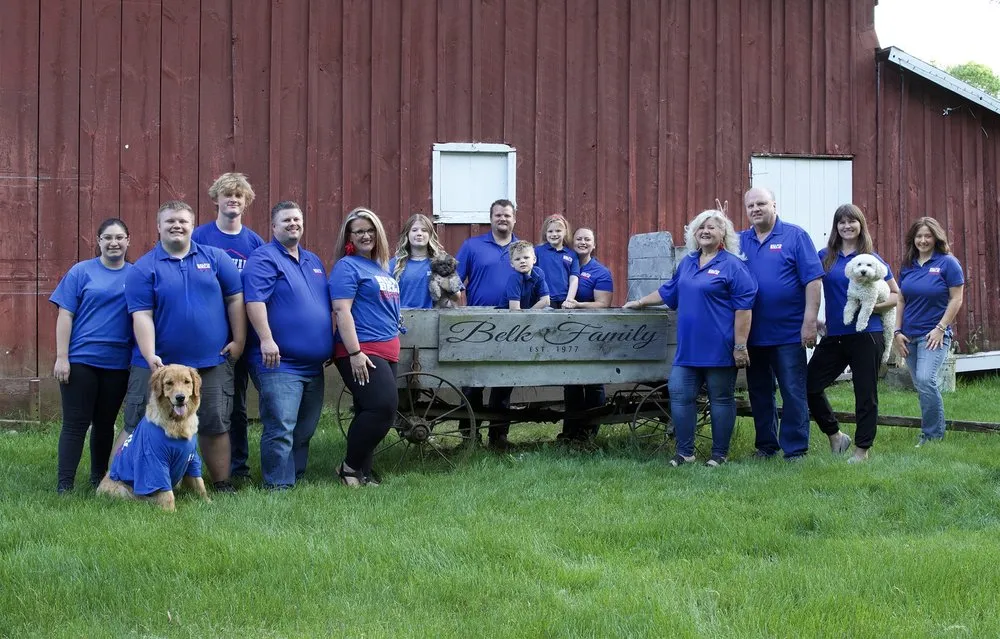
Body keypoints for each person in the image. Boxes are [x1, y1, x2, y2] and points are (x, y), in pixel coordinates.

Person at [121, 200, 246, 492]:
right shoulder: (144, 268)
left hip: (210, 361)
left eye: (182, 221)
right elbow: (142, 315)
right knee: (136, 424)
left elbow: (235, 298)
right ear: (158, 227)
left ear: (192, 225)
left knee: (215, 421)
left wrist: (239, 340)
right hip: (155, 365)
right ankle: (119, 479)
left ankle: (221, 483)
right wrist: (151, 354)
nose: (176, 226)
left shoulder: (216, 258)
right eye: (169, 222)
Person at [625, 209, 756, 467]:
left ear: (723, 234)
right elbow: (668, 292)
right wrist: (639, 302)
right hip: (688, 349)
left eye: (712, 227)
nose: (705, 231)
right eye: (700, 228)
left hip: (720, 346)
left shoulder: (732, 265)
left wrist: (740, 346)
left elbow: (744, 308)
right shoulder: (687, 262)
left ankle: (719, 454)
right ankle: (685, 453)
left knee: (720, 399)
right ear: (694, 234)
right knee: (679, 393)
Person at [242, 201, 333, 490]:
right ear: (273, 227)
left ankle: (296, 475)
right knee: (281, 426)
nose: (292, 224)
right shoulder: (264, 258)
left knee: (304, 429)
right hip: (278, 362)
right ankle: (278, 486)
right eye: (286, 220)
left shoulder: (313, 261)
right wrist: (267, 339)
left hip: (313, 364)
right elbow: (254, 301)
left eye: (296, 219)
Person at [807, 204, 899, 464]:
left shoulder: (871, 258)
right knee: (810, 385)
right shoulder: (825, 256)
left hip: (867, 334)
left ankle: (862, 450)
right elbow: (810, 287)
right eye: (841, 222)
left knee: (865, 392)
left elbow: (895, 294)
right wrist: (814, 319)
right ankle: (835, 436)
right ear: (836, 227)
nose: (847, 226)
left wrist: (871, 310)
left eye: (852, 222)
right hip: (835, 334)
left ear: (861, 225)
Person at [739, 187, 824, 460]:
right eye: (750, 206)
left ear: (774, 205)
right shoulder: (740, 240)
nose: (755, 209)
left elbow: (812, 280)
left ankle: (796, 449)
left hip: (788, 332)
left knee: (792, 391)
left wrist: (809, 321)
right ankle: (766, 446)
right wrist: (721, 220)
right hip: (753, 334)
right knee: (760, 392)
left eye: (761, 203)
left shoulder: (795, 236)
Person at [49, 219, 133, 493]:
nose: (114, 243)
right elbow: (65, 314)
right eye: (107, 237)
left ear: (128, 241)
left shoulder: (135, 275)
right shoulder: (81, 272)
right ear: (97, 241)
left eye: (119, 237)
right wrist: (62, 357)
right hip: (81, 360)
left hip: (118, 364)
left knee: (105, 423)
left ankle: (99, 480)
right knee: (75, 423)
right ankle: (65, 486)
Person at [191, 172, 265, 484]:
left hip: (247, 335)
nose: (233, 200)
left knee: (239, 406)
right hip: (212, 335)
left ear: (246, 202)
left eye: (239, 196)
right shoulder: (199, 237)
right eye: (227, 195)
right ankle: (191, 467)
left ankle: (239, 469)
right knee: (210, 405)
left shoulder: (254, 243)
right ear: (215, 200)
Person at [328, 207, 402, 487]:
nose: (366, 235)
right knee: (383, 408)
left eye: (370, 230)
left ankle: (362, 473)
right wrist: (356, 353)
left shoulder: (381, 267)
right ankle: (349, 468)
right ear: (349, 236)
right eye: (359, 231)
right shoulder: (347, 266)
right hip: (361, 349)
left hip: (387, 348)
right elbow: (342, 310)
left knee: (367, 409)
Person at [894, 217, 964, 447]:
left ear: (936, 237)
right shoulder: (908, 265)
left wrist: (940, 329)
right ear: (913, 239)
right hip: (909, 336)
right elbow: (902, 300)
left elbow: (956, 299)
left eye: (928, 236)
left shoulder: (948, 263)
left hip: (934, 335)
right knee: (922, 385)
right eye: (919, 236)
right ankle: (930, 433)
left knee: (925, 379)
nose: (923, 240)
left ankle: (933, 436)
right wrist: (897, 331)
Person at [455, 199, 519, 449]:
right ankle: (469, 435)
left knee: (505, 382)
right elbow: (455, 281)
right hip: (476, 322)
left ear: (515, 219)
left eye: (507, 215)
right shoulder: (472, 246)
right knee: (471, 382)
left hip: (512, 324)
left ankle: (499, 436)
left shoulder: (522, 248)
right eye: (498, 215)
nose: (503, 219)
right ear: (490, 218)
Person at [560, 227, 614, 441]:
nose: (583, 242)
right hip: (566, 333)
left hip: (592, 333)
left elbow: (603, 304)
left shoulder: (600, 272)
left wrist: (577, 304)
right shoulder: (564, 264)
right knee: (571, 381)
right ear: (572, 242)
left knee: (593, 381)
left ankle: (590, 432)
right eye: (579, 238)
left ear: (594, 245)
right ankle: (571, 431)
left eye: (587, 239)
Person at [388, 213, 447, 309]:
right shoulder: (394, 264)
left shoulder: (441, 263)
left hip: (432, 320)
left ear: (430, 235)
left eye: (424, 230)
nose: (419, 233)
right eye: (414, 230)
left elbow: (455, 296)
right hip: (401, 320)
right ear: (407, 234)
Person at [534, 214, 579, 308]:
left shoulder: (571, 254)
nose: (554, 234)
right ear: (545, 233)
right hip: (543, 300)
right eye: (550, 231)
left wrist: (569, 300)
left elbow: (574, 278)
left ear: (565, 232)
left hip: (564, 300)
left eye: (558, 231)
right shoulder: (538, 251)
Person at [503, 241, 550, 309]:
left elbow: (546, 301)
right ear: (512, 264)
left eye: (526, 257)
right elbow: (514, 310)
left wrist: (529, 315)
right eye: (517, 259)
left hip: (527, 313)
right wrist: (528, 316)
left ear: (534, 259)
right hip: (505, 316)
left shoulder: (538, 273)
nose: (522, 261)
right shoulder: (514, 278)